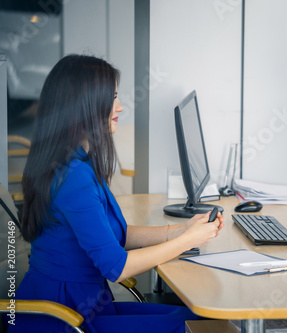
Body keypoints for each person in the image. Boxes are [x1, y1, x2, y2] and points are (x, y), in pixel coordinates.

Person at [12, 54, 224, 333]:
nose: (120, 107)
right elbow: (118, 267)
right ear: (84, 106)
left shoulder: (77, 162)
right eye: (112, 98)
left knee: (199, 318)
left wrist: (180, 230)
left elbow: (116, 235)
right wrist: (187, 241)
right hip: (62, 317)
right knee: (198, 325)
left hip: (83, 306)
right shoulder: (72, 176)